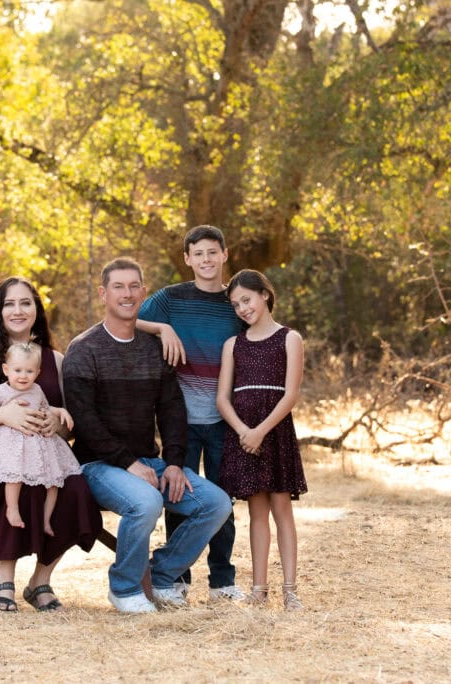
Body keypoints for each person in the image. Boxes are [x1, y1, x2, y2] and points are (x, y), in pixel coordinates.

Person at [63, 257, 232, 613]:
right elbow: (85, 421)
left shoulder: (155, 349)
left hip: (150, 462)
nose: (127, 294)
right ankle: (124, 588)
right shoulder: (84, 349)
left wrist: (173, 463)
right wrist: (128, 464)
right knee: (146, 501)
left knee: (215, 503)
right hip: (98, 465)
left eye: (133, 286)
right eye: (118, 287)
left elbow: (172, 410)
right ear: (103, 293)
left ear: (143, 291)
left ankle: (159, 574)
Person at [0, 277, 101, 612]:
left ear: (37, 309)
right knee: (14, 481)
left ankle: (40, 581)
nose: (18, 310)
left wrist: (56, 424)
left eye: (26, 302)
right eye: (9, 303)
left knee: (76, 489)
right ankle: (4, 576)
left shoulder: (56, 360)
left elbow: (68, 425)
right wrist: (2, 415)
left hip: (44, 455)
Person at [137, 224, 246, 602]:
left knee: (224, 501)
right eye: (197, 254)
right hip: (179, 420)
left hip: (223, 418)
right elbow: (128, 318)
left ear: (225, 255)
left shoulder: (235, 301)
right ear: (187, 259)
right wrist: (162, 327)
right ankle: (176, 579)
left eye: (212, 252)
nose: (206, 260)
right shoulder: (169, 299)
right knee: (180, 495)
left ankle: (222, 581)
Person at [216, 269, 307, 611]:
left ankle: (290, 589)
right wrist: (244, 431)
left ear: (264, 295)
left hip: (274, 431)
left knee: (282, 509)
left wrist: (261, 431)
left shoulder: (289, 338)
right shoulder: (233, 345)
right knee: (257, 513)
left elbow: (290, 394)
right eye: (236, 304)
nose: (242, 308)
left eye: (247, 299)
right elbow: (223, 398)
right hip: (244, 435)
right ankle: (258, 589)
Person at [0, 341, 81, 536]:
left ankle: (46, 520)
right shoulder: (1, 392)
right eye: (17, 370)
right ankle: (12, 509)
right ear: (6, 370)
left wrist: (61, 411)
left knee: (54, 481)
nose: (23, 376)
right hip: (12, 446)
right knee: (15, 473)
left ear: (37, 373)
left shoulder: (37, 390)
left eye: (29, 371)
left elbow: (45, 408)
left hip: (39, 445)